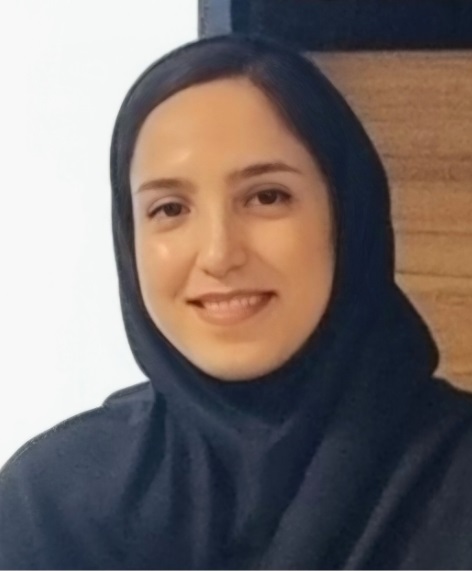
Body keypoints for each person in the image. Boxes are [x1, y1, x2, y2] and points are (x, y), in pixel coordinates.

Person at [1, 33, 472, 570]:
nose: (219, 254)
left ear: (347, 217)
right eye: (170, 208)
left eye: (267, 196)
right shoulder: (49, 506)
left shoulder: (456, 480)